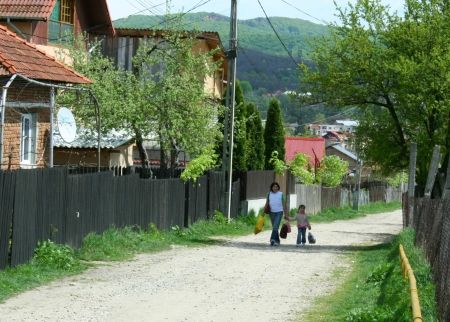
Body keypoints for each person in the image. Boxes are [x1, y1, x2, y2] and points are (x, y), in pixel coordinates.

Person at [266, 182, 288, 246]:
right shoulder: (269, 194)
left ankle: (272, 239)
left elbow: (284, 204)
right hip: (271, 212)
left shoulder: (281, 194)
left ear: (278, 187)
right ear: (271, 188)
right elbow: (267, 203)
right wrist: (263, 212)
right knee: (275, 227)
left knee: (275, 226)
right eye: (274, 187)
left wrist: (286, 214)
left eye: (276, 187)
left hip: (279, 212)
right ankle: (277, 241)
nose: (275, 188)